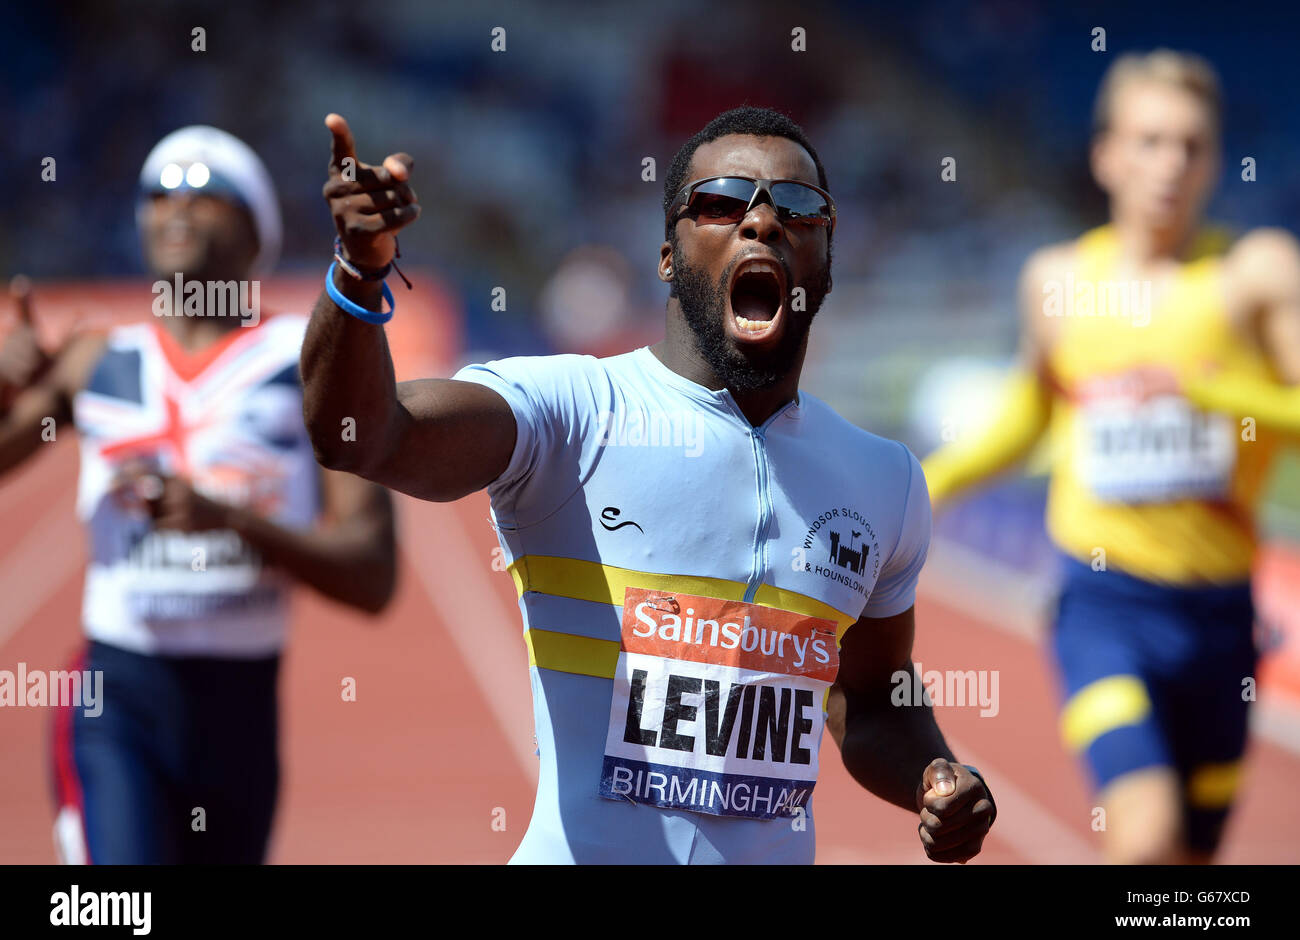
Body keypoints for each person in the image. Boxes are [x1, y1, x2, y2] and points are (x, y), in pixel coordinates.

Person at [301, 106, 996, 864]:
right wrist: (358, 271)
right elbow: (363, 435)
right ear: (669, 254)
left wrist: (938, 775)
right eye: (722, 203)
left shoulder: (883, 478)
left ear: (826, 255)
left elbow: (868, 697)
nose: (761, 223)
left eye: (796, 207)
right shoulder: (571, 412)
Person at [922, 50, 1300, 864]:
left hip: (1222, 619)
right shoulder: (1057, 280)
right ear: (1105, 155)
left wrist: (1220, 394)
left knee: (1191, 867)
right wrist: (925, 483)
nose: (1171, 164)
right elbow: (1030, 412)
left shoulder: (1254, 274)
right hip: (1105, 602)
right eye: (1150, 141)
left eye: (1193, 145)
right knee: (1142, 836)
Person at [0, 126, 398, 864]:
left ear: (256, 234)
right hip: (116, 699)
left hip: (241, 719)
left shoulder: (307, 367)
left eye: (206, 193)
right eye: (158, 193)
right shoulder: (96, 361)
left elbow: (373, 573)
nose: (176, 208)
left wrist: (236, 522)